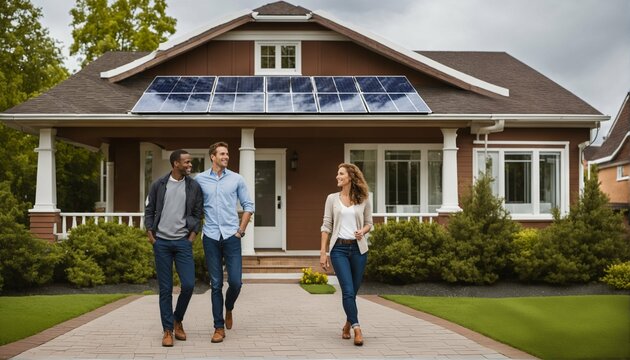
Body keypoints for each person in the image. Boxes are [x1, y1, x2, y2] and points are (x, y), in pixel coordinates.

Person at [195, 141, 254, 343]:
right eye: (222, 153)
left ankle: (229, 307)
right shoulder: (200, 179)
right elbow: (194, 206)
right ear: (212, 156)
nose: (226, 157)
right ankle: (218, 327)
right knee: (216, 283)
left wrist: (241, 230)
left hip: (231, 236)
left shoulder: (237, 179)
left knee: (236, 282)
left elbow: (249, 206)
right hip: (210, 236)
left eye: (227, 154)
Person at [144, 149, 203, 347]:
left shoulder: (193, 186)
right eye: (186, 162)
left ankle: (178, 319)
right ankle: (168, 330)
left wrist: (192, 236)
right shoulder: (158, 185)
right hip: (161, 243)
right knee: (165, 289)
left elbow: (197, 212)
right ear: (176, 163)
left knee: (188, 285)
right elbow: (150, 209)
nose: (190, 165)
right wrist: (150, 234)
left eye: (190, 162)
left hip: (182, 242)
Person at [320, 163, 373, 346]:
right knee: (348, 291)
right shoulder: (332, 199)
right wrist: (323, 252)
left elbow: (369, 223)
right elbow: (326, 226)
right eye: (337, 173)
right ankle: (357, 328)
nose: (337, 176)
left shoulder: (363, 198)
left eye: (340, 173)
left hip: (359, 250)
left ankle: (346, 325)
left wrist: (363, 231)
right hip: (339, 250)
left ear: (350, 176)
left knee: (354, 291)